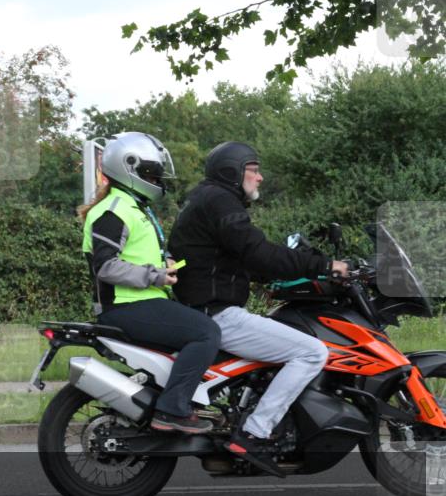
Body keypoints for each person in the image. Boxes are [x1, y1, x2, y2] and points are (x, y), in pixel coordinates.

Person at [167, 141, 349, 476]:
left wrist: (270, 281)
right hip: (217, 313)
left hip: (204, 306)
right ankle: (255, 433)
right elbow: (257, 251)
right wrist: (324, 265)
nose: (260, 177)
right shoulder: (220, 201)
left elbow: (231, 258)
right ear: (232, 172)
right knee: (311, 352)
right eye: (254, 170)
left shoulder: (208, 199)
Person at [80, 132, 222, 434]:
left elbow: (135, 256)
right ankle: (172, 410)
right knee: (207, 333)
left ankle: (183, 402)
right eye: (151, 173)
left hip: (142, 303)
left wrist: (165, 264)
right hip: (126, 307)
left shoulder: (133, 208)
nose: (157, 179)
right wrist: (155, 275)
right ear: (128, 169)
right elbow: (106, 266)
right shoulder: (113, 210)